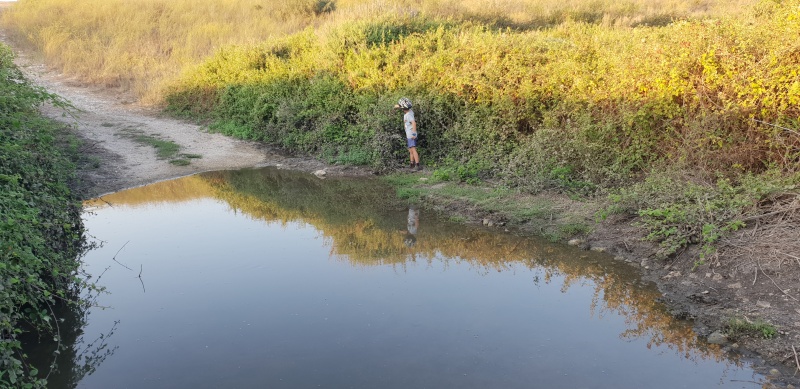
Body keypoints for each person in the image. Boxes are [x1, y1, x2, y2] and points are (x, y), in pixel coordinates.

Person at [394, 97, 421, 171]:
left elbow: (414, 123)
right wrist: (398, 106)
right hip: (409, 135)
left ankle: (417, 165)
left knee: (413, 149)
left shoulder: (408, 115)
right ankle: (412, 164)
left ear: (403, 108)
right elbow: (404, 106)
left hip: (411, 135)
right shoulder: (410, 111)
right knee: (410, 150)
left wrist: (414, 134)